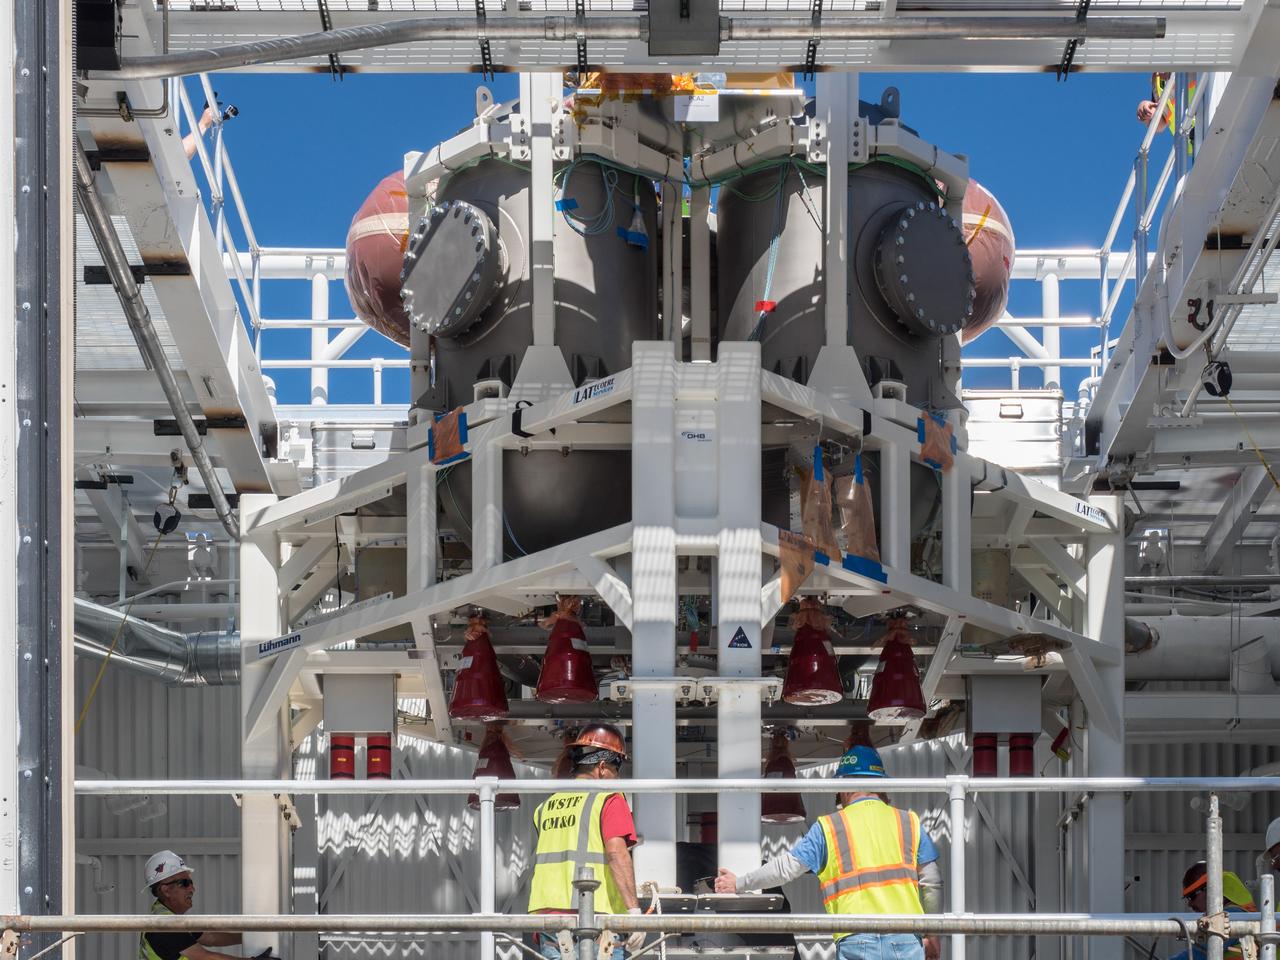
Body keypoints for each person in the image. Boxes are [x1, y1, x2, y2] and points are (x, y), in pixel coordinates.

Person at [715, 745, 943, 960]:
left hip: (856, 939)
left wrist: (739, 883)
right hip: (905, 939)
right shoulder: (909, 822)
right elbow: (931, 881)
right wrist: (932, 934)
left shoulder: (830, 827)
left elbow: (786, 868)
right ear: (881, 783)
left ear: (842, 786)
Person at [528, 724, 644, 960]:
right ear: (602, 768)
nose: (618, 777)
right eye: (616, 769)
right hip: (594, 919)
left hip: (549, 920)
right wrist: (634, 911)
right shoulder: (608, 798)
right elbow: (616, 854)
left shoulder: (547, 805)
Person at [139, 850, 259, 960]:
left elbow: (210, 937)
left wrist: (246, 938)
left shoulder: (168, 915)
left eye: (191, 882)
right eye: (184, 883)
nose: (192, 888)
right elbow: (205, 957)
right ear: (166, 890)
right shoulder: (164, 923)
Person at [1177, 860, 1256, 960]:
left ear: (1210, 889)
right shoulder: (1238, 913)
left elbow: (1200, 953)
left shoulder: (1233, 915)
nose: (1190, 903)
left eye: (1192, 896)